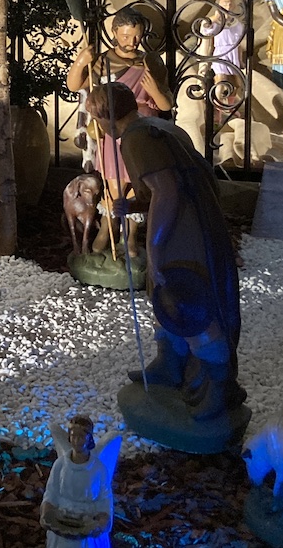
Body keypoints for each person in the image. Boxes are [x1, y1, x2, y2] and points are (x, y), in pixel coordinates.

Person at [86, 83, 244, 421]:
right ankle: (170, 366)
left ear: (103, 116)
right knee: (167, 303)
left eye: (94, 117)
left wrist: (155, 249)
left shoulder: (137, 139)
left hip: (184, 237)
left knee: (190, 307)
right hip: (193, 225)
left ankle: (218, 388)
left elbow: (168, 192)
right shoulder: (159, 127)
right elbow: (168, 185)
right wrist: (131, 204)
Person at [66, 8, 174, 260]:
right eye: (125, 36)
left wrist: (154, 89)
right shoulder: (103, 62)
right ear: (114, 33)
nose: (130, 42)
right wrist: (82, 62)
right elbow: (74, 85)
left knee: (137, 185)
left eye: (135, 37)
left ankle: (131, 236)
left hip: (143, 127)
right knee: (115, 185)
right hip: (114, 129)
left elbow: (166, 104)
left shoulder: (151, 62)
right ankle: (108, 229)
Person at [40, 416, 122, 548]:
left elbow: (104, 498)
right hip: (62, 521)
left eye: (81, 437)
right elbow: (51, 492)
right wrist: (46, 510)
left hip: (88, 523)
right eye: (73, 436)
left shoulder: (98, 469)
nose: (77, 441)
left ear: (89, 438)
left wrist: (102, 520)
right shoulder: (60, 465)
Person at [200, 0, 246, 111]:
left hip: (233, 53)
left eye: (230, 4)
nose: (228, 6)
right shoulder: (216, 22)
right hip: (221, 53)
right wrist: (215, 18)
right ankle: (218, 105)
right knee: (220, 79)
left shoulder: (237, 24)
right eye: (225, 4)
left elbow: (239, 44)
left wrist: (240, 61)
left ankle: (230, 106)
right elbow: (206, 29)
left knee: (236, 83)